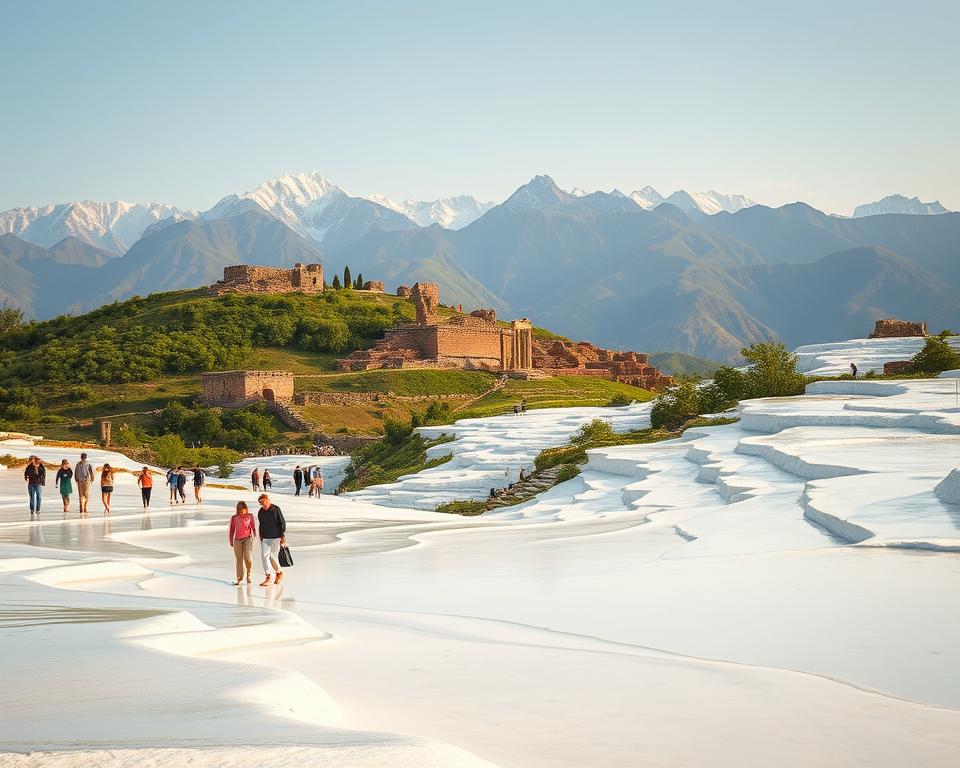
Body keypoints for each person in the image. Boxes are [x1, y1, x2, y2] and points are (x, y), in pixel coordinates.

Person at [257, 494, 286, 586]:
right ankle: (269, 576)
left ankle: (279, 572)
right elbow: (261, 525)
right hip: (265, 538)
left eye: (264, 501)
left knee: (272, 557)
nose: (263, 504)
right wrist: (261, 537)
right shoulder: (260, 512)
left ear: (268, 500)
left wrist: (283, 536)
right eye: (261, 503)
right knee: (264, 556)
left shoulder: (275, 509)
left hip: (276, 537)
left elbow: (282, 522)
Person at [228, 501, 257, 585]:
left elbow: (253, 527)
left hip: (248, 539)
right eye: (239, 509)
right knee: (239, 560)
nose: (241, 511)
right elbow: (232, 530)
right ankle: (239, 579)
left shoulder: (250, 516)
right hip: (237, 540)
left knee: (247, 557)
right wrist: (231, 540)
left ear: (246, 509)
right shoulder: (234, 518)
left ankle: (248, 574)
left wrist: (254, 535)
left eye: (243, 509)